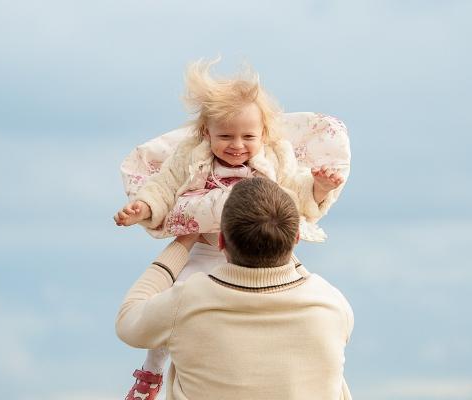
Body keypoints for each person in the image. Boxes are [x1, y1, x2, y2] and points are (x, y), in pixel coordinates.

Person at [113, 59, 346, 399]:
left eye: (248, 136)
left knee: (174, 308)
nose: (237, 145)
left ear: (264, 134)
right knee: (172, 299)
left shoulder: (275, 157)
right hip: (204, 248)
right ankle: (152, 369)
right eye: (225, 136)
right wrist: (144, 208)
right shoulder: (191, 157)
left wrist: (319, 188)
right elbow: (164, 186)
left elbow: (295, 191)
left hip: (257, 249)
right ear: (205, 133)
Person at [116, 177, 354, 400]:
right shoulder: (332, 304)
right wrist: (279, 241)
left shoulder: (188, 301)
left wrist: (183, 242)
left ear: (220, 242)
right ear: (296, 238)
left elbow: (128, 321)